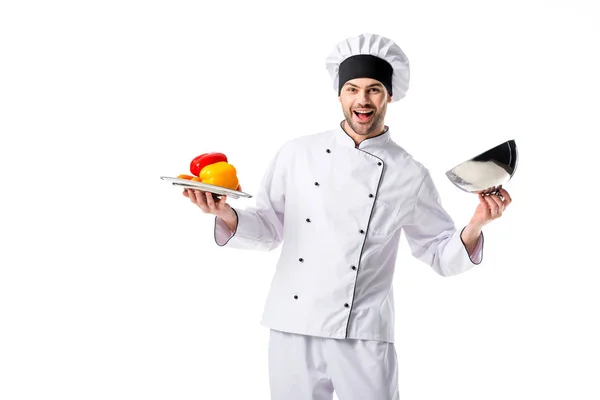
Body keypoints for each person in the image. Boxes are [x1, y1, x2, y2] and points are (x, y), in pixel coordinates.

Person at [183, 33, 512, 400]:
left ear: (389, 95)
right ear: (339, 94)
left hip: (364, 333)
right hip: (292, 325)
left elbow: (439, 252)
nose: (362, 100)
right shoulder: (297, 154)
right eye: (352, 89)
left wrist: (478, 221)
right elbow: (269, 226)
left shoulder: (410, 174)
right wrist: (226, 213)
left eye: (374, 89)